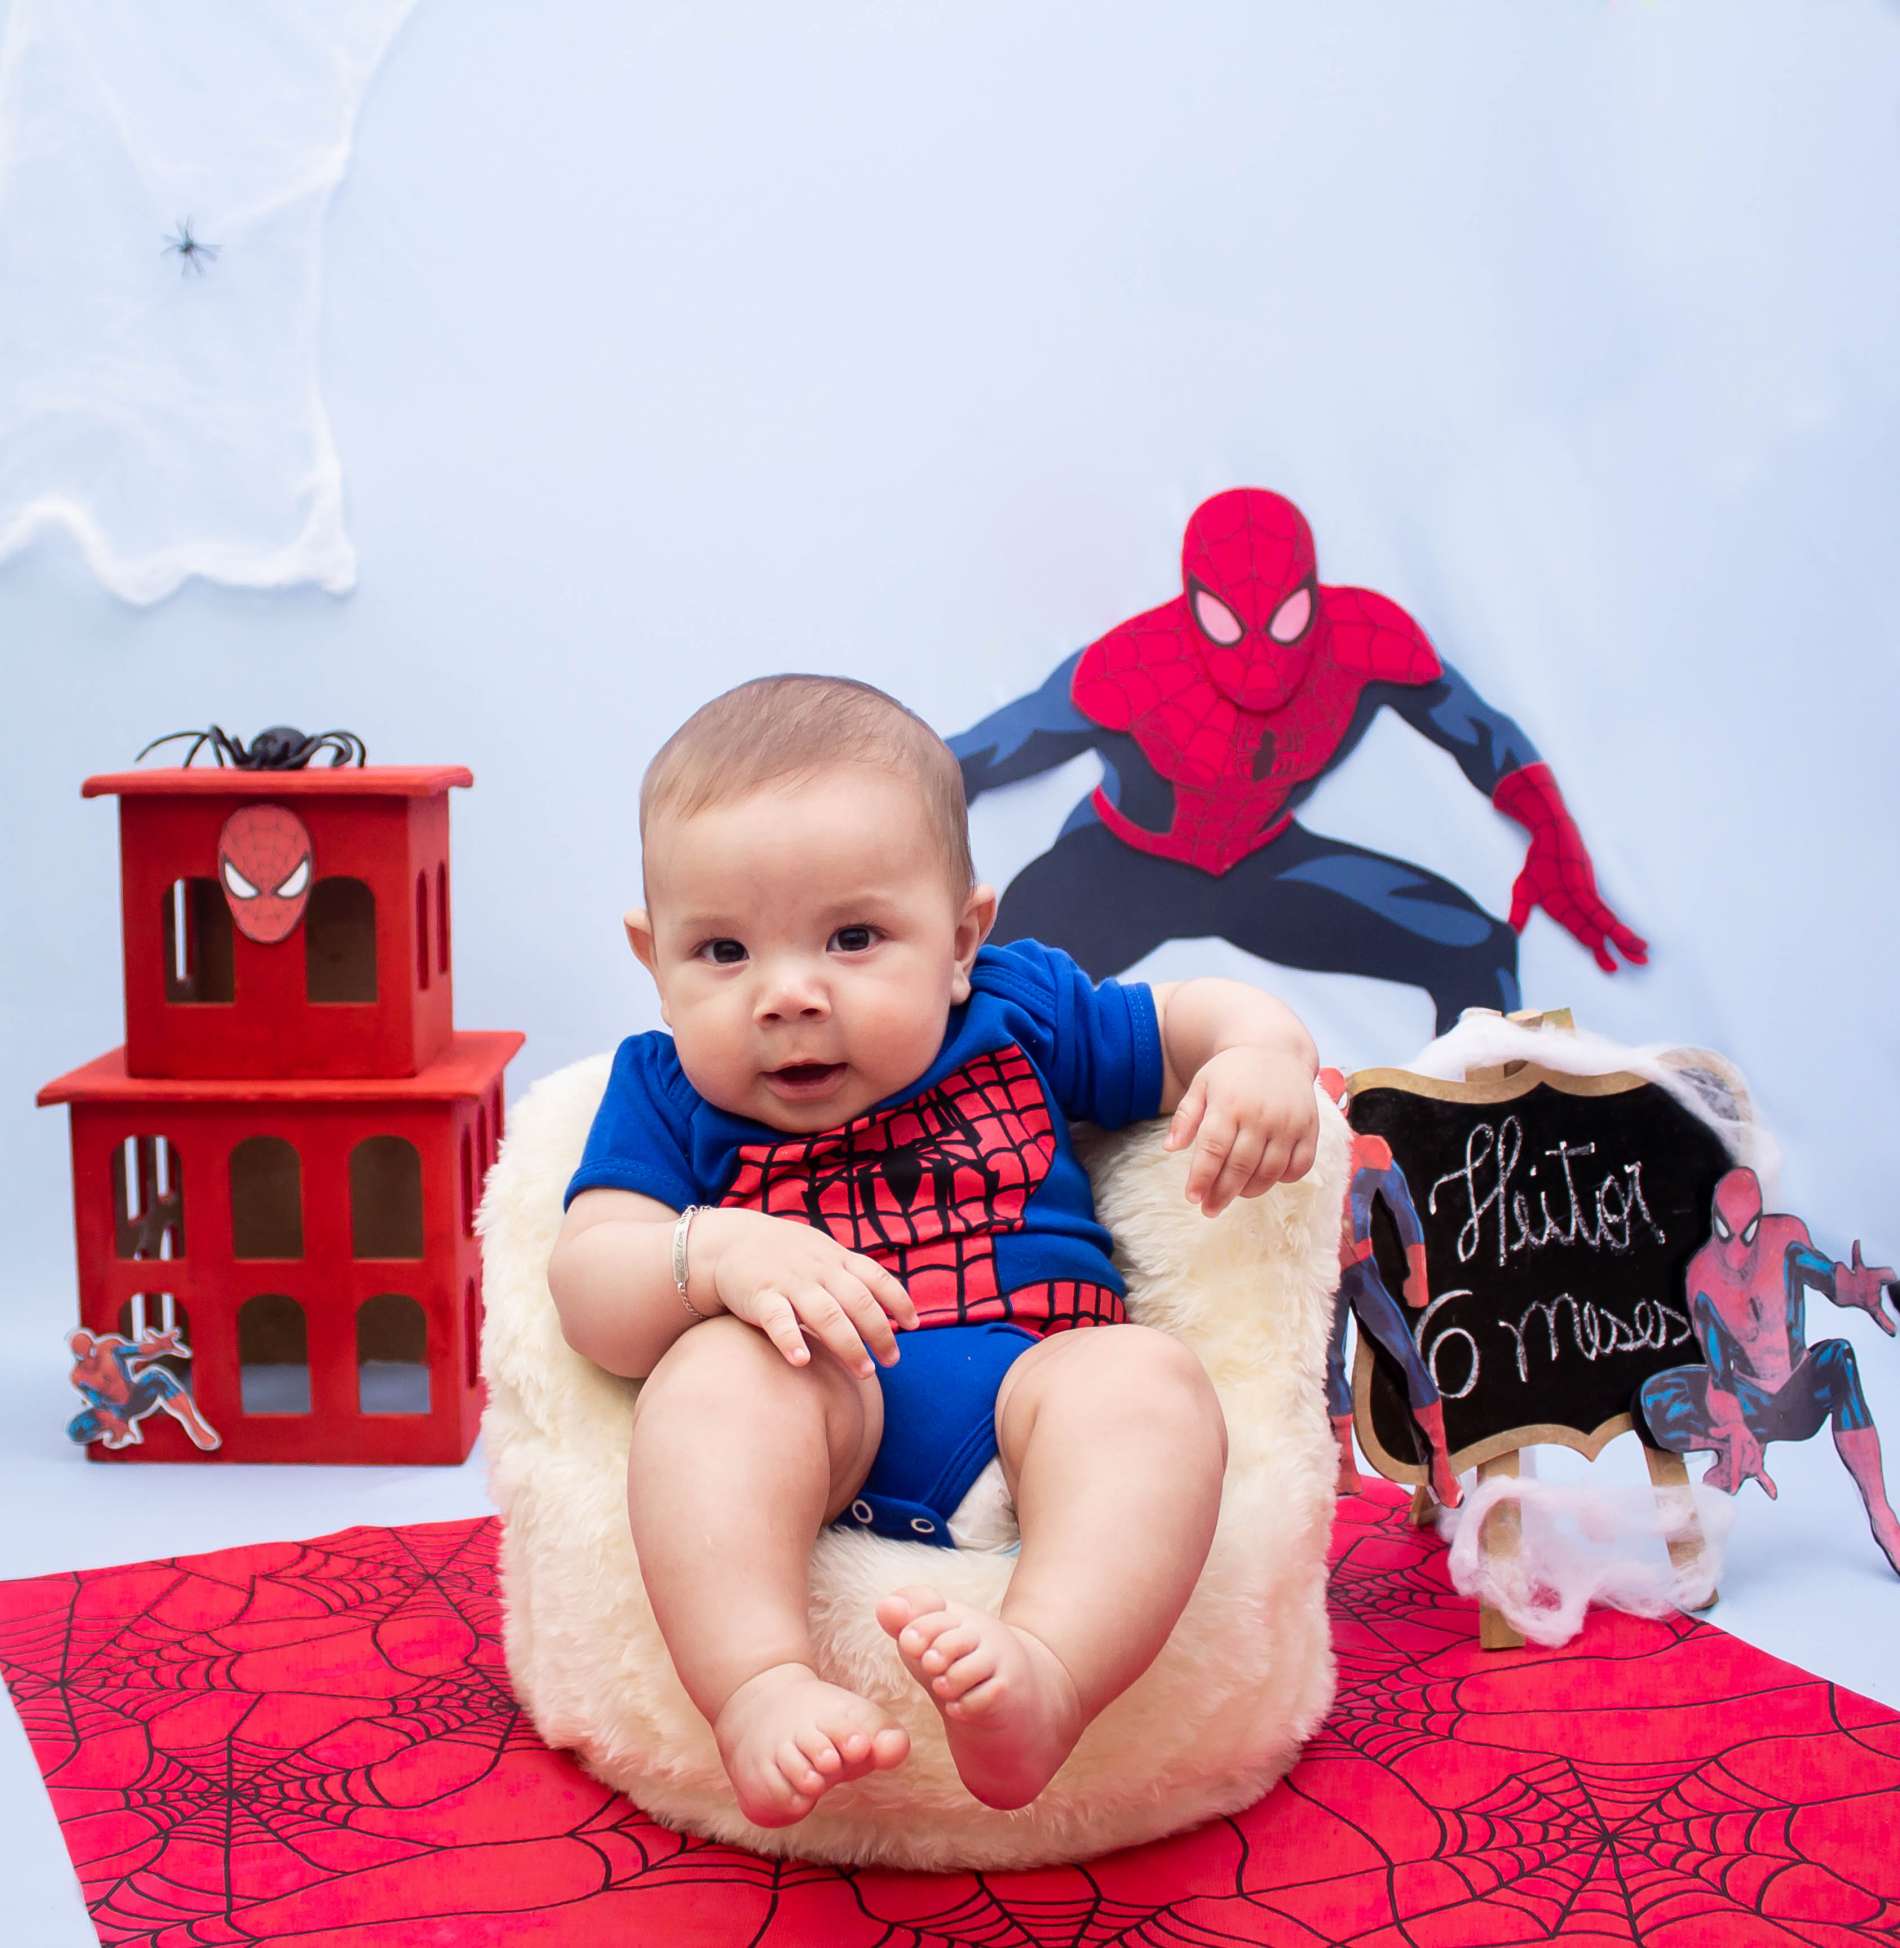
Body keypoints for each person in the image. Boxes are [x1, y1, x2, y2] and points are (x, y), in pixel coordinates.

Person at [547, 673, 1320, 1830]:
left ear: (961, 941)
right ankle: (758, 1683)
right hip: (819, 1431)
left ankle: (1047, 1671)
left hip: (1034, 1408)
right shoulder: (663, 1092)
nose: (788, 994)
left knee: (1147, 1381)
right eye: (722, 950)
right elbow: (587, 1288)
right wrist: (710, 1253)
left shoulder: (1019, 1014)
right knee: (713, 1376)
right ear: (653, 960)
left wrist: (1263, 1053)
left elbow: (1188, 1022)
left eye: (853, 937)